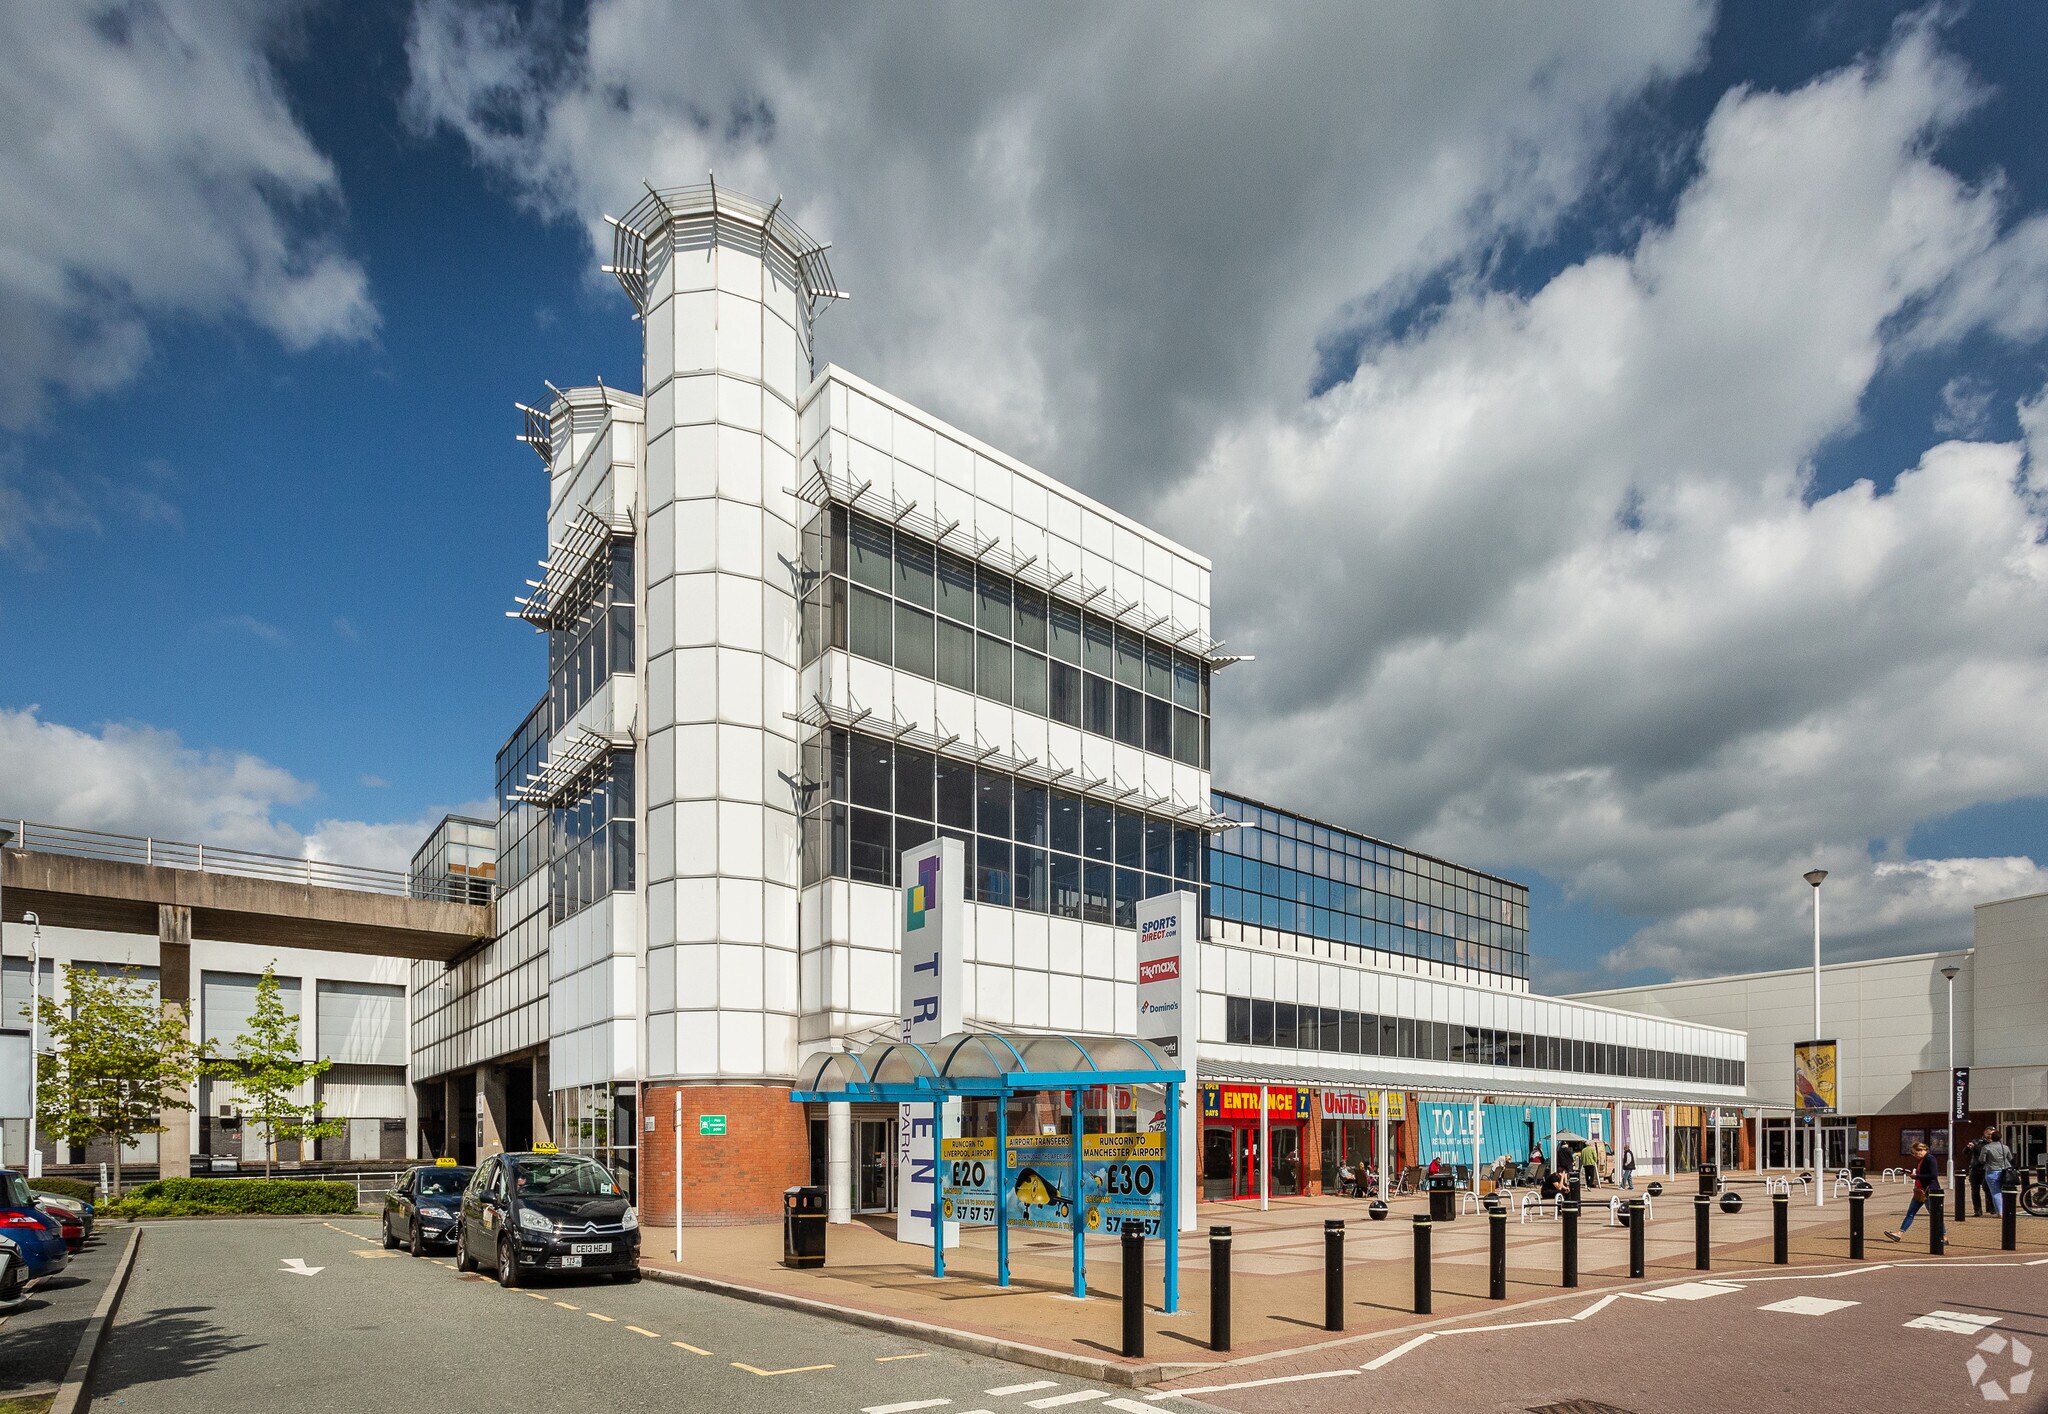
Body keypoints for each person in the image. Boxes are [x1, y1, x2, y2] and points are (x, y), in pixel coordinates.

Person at [1885, 1141, 1940, 1242]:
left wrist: (1917, 1176)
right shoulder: (1921, 1160)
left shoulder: (1930, 1159)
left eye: (1916, 1153)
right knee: (1910, 1213)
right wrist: (1912, 1174)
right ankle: (1899, 1234)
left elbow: (1933, 1175)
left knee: (1935, 1215)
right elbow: (1922, 1175)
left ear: (1923, 1150)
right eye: (1913, 1153)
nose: (1915, 1155)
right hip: (1919, 1191)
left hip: (1929, 1191)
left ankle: (1944, 1236)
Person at [1979, 1125, 2016, 1218]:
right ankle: (2005, 1210)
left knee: (1995, 1192)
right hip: (2004, 1172)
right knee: (2005, 1192)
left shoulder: (1986, 1147)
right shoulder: (2005, 1147)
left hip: (1992, 1171)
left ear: (1992, 1137)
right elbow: (2010, 1158)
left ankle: (2000, 1212)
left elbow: (1982, 1160)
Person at [1965, 1136, 1987, 1217]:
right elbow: (1965, 1152)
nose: (1990, 1136)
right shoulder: (1977, 1142)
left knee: (1987, 1189)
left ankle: (1992, 1208)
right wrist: (1969, 1147)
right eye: (1989, 1134)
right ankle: (1977, 1210)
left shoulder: (1994, 1143)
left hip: (1986, 1169)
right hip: (1975, 1169)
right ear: (1985, 1133)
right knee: (1975, 1190)